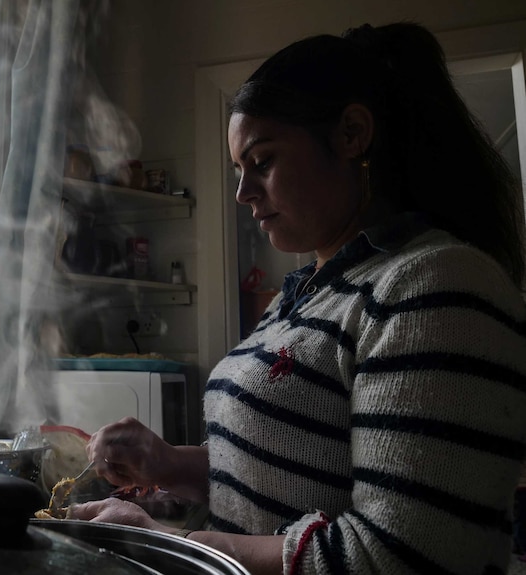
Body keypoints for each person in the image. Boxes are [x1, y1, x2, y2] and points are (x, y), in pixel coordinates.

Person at [69, 22, 526, 575]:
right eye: (239, 171)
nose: (242, 194)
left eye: (262, 162)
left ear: (352, 134)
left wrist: (174, 543)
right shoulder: (299, 297)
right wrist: (169, 463)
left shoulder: (435, 285)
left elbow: (397, 557)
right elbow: (276, 479)